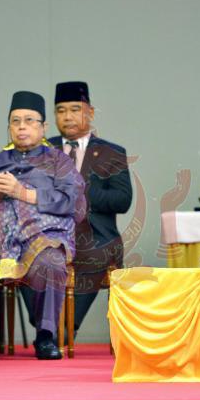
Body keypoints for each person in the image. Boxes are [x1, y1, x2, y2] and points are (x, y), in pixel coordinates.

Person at [0, 91, 86, 360]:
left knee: (52, 262)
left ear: (44, 127)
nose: (22, 127)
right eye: (16, 121)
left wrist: (23, 193)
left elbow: (73, 202)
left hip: (43, 237)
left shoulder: (59, 161)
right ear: (9, 127)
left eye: (29, 120)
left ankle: (45, 335)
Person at [48, 82, 132, 337]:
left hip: (95, 235)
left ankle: (63, 328)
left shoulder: (111, 153)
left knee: (95, 251)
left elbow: (122, 200)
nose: (68, 116)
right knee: (26, 253)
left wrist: (82, 190)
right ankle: (47, 326)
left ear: (91, 113)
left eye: (75, 109)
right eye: (61, 110)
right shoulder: (43, 150)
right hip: (49, 233)